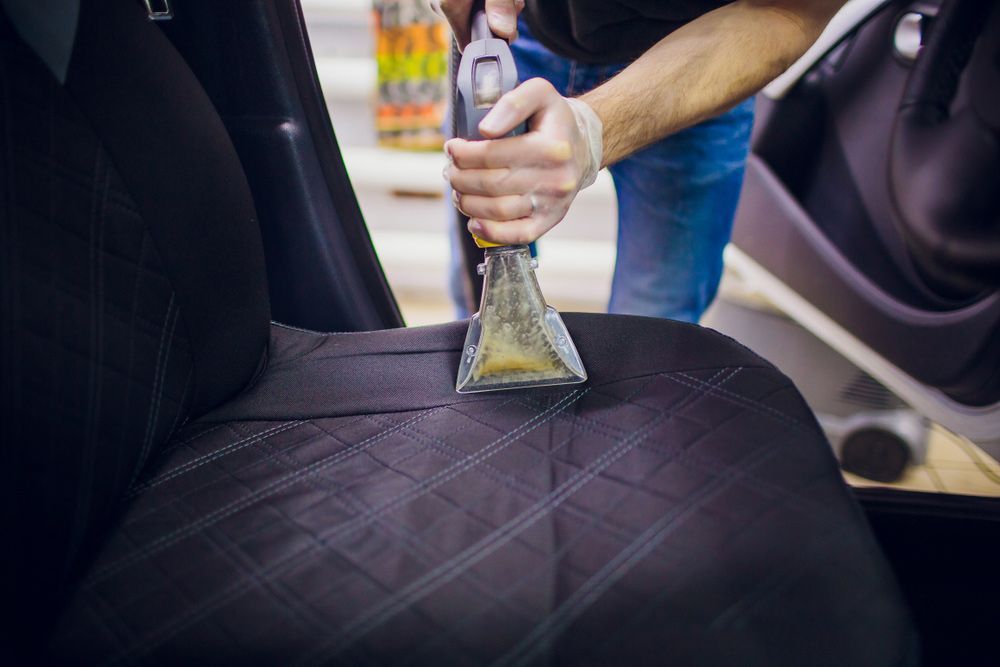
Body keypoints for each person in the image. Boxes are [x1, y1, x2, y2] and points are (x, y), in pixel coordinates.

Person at [437, 0, 843, 322]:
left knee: (657, 322)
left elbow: (791, 11)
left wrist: (592, 131)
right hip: (515, 33)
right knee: (482, 299)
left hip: (705, 58)